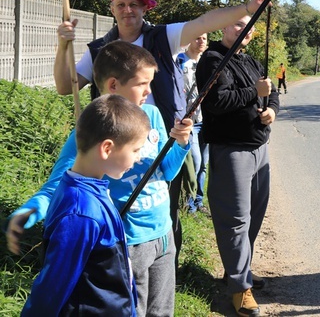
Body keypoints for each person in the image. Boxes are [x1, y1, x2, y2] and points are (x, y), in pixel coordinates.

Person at [53, 0, 270, 266]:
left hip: (164, 141)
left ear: (145, 8)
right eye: (121, 5)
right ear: (112, 10)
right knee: (115, 208)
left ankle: (166, 268)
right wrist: (63, 45)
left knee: (164, 209)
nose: (127, 10)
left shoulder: (162, 37)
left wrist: (247, 9)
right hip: (114, 148)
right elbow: (63, 85)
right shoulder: (99, 50)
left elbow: (204, 22)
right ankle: (116, 267)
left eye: (134, 4)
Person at [8, 42, 193, 317]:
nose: (148, 91)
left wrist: (180, 144)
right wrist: (31, 209)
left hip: (163, 231)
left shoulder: (152, 115)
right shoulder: (92, 130)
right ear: (114, 85)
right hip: (131, 239)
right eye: (142, 83)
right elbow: (61, 181)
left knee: (162, 310)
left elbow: (165, 171)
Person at [21, 95, 147, 316]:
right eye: (136, 150)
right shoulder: (81, 212)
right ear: (107, 148)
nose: (139, 157)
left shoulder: (93, 188)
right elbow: (53, 286)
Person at [196, 16, 279, 317]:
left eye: (248, 27)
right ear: (224, 28)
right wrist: (254, 93)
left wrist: (271, 109)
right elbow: (216, 101)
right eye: (236, 25)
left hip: (260, 149)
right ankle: (240, 290)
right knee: (235, 221)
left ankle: (238, 271)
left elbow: (271, 91)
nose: (242, 30)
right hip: (231, 151)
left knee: (254, 215)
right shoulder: (213, 59)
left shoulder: (251, 61)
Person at [176, 33, 209, 214]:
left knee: (203, 163)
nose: (201, 41)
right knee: (195, 162)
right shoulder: (179, 61)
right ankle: (188, 202)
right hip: (189, 121)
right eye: (197, 37)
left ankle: (198, 201)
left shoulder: (208, 61)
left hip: (205, 119)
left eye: (204, 38)